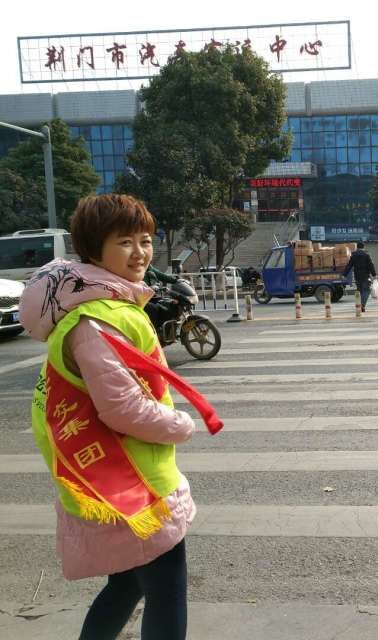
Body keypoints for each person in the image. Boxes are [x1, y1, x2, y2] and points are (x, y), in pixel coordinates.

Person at [18, 194, 197, 640]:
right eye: (125, 242)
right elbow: (122, 408)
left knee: (127, 585)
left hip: (112, 478)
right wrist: (181, 424)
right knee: (166, 590)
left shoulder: (100, 307)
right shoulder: (97, 320)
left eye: (146, 240)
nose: (140, 253)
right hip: (132, 484)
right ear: (94, 251)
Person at [342, 241, 377, 312]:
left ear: (357, 247)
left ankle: (360, 305)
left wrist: (344, 274)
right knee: (366, 290)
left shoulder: (353, 255)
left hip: (357, 276)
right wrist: (374, 275)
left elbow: (349, 265)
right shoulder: (366, 255)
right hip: (365, 276)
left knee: (360, 291)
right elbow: (371, 265)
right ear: (363, 247)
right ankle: (362, 305)